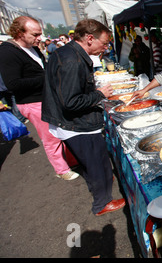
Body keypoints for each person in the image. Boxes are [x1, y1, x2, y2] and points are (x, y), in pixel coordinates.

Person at [41, 19, 125, 216]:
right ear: (89, 38)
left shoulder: (68, 53)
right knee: (97, 163)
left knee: (91, 163)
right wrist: (99, 94)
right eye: (104, 43)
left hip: (70, 122)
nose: (106, 48)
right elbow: (70, 102)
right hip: (77, 125)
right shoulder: (72, 60)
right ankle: (102, 203)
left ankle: (99, 192)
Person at [0, 16, 79, 180]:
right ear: (20, 33)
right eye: (35, 34)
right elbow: (13, 84)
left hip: (47, 98)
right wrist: (47, 78)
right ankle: (62, 170)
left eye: (39, 34)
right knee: (50, 136)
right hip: (32, 102)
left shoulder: (33, 48)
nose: (39, 38)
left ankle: (71, 160)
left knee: (62, 131)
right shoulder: (7, 52)